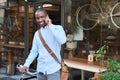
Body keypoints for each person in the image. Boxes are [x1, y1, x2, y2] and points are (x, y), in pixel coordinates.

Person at [19, 7, 66, 80]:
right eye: (37, 18)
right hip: (40, 71)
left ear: (47, 16)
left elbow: (62, 40)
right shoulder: (37, 34)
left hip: (53, 70)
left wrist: (50, 25)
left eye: (42, 17)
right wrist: (26, 64)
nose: (40, 20)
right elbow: (34, 51)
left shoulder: (58, 28)